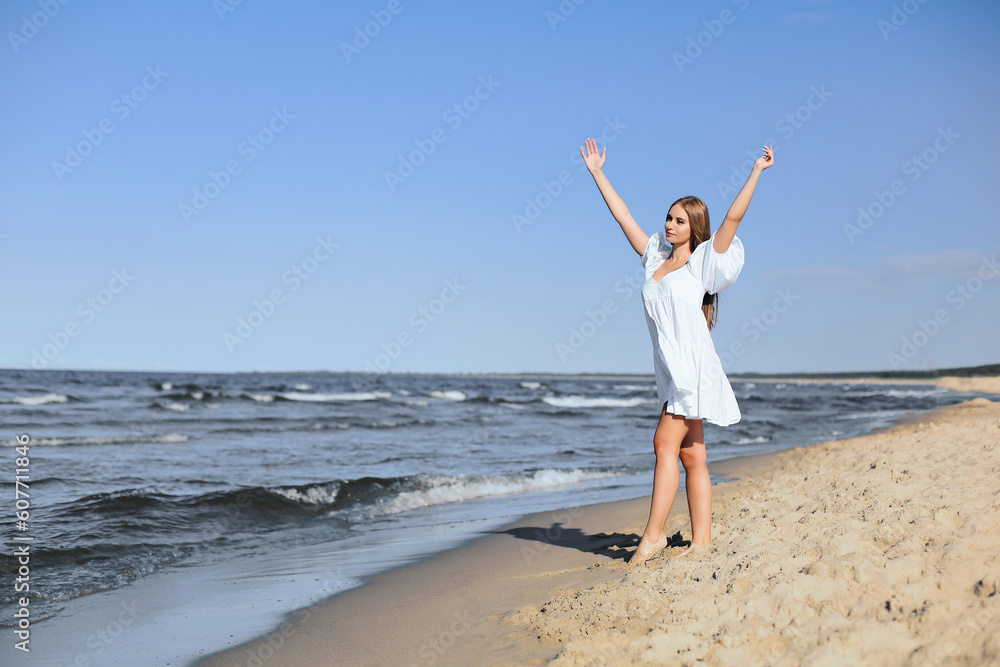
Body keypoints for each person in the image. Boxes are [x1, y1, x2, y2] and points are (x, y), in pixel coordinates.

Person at [579, 137, 774, 568]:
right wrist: (597, 173)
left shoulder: (703, 262)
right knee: (692, 453)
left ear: (695, 228)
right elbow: (623, 215)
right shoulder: (655, 258)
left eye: (680, 221)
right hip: (672, 370)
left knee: (663, 442)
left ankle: (653, 537)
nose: (670, 225)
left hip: (693, 369)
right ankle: (702, 541)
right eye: (669, 218)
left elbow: (733, 218)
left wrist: (756, 172)